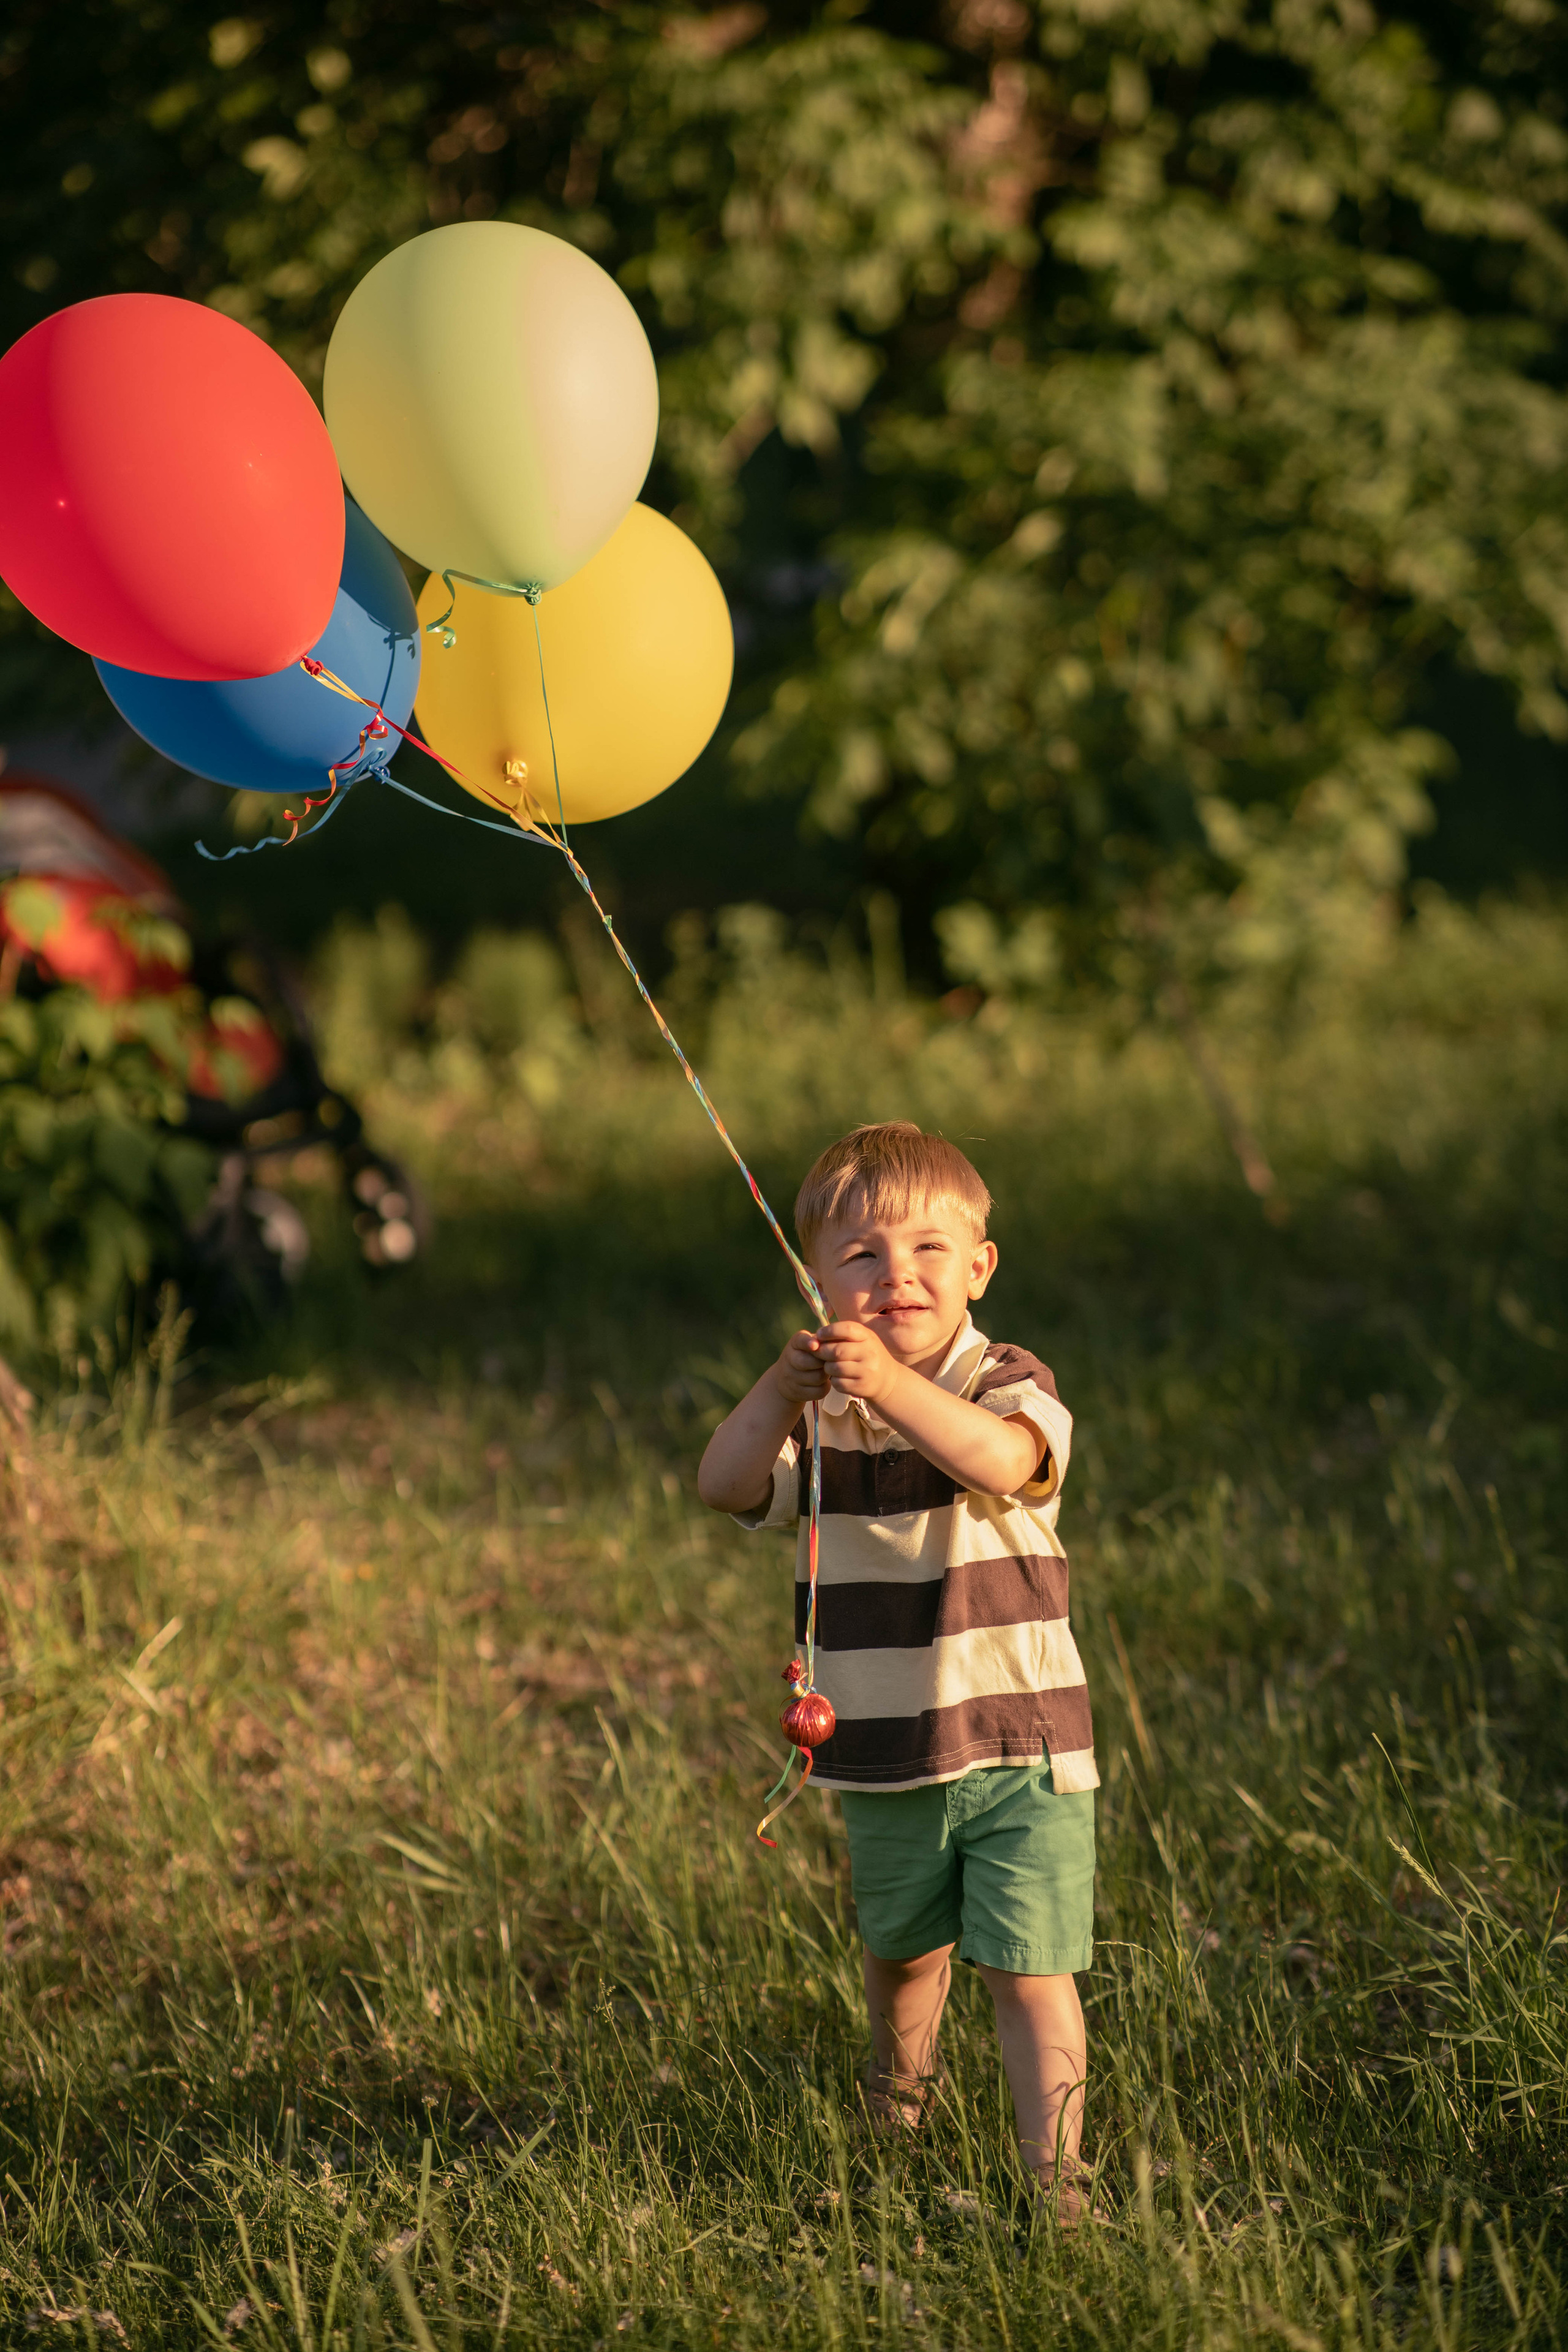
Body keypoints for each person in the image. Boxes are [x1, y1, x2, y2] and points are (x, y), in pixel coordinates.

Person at [697, 1120, 1099, 2223]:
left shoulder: (1005, 1379)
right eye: (861, 1257)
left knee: (1030, 1970)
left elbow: (1007, 1461)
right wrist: (782, 1394)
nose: (897, 1277)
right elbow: (726, 1486)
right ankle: (896, 2110)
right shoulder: (820, 1412)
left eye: (929, 1251)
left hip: (1022, 1740)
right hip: (881, 1742)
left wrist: (895, 1390)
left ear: (980, 1268)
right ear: (814, 1278)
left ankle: (1057, 2185)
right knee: (904, 1955)